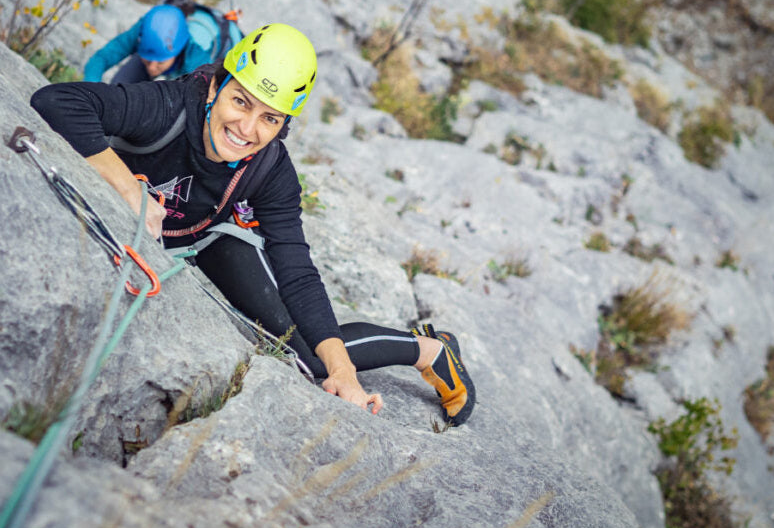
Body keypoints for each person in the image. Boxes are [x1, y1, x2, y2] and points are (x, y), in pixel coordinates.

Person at [31, 23, 476, 425]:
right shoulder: (168, 107)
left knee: (312, 359)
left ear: (283, 124)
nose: (246, 128)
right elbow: (57, 100)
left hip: (210, 240)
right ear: (216, 86)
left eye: (270, 118)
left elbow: (296, 271)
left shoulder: (271, 170)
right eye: (240, 101)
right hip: (169, 226)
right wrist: (129, 189)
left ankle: (429, 350)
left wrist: (344, 374)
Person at [83, 4, 212, 84]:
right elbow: (101, 58)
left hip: (192, 64)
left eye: (160, 63)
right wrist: (92, 91)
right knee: (120, 86)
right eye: (148, 61)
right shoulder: (143, 32)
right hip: (164, 53)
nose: (152, 68)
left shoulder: (197, 58)